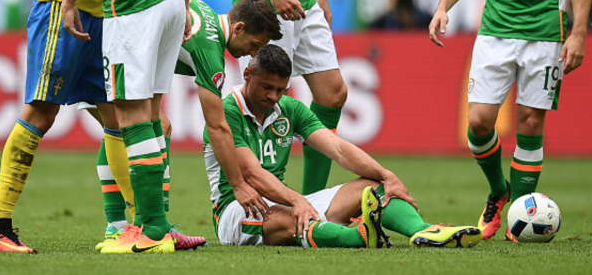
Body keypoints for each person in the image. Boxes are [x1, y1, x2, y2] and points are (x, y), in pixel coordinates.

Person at [205, 45, 483, 249]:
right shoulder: (226, 112)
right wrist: (297, 200)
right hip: (237, 209)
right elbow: (251, 175)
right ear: (247, 73)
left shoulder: (288, 108)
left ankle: (424, 232)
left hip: (286, 201)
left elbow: (337, 148)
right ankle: (356, 236)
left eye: (281, 89)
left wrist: (386, 175)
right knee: (283, 219)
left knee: (373, 187)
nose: (273, 96)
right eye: (266, 87)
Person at [428, 0, 592, 242]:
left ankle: (520, 211)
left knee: (530, 123)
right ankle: (498, 189)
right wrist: (443, 6)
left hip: (547, 31)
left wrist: (578, 32)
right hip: (494, 32)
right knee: (478, 122)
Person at [61, 0, 200, 254]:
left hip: (132, 5)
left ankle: (151, 230)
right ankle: (157, 224)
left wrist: (69, 2)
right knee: (151, 115)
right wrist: (182, 2)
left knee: (129, 116)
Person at [93, 0, 283, 249]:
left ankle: (118, 225)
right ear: (239, 28)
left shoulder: (204, 9)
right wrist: (238, 184)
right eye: (255, 44)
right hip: (111, 50)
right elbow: (216, 125)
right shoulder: (210, 51)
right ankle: (150, 225)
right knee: (151, 126)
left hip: (102, 37)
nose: (253, 54)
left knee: (121, 129)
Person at [0, 0, 118, 254]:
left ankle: (137, 227)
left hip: (100, 12)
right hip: (63, 6)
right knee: (41, 112)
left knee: (119, 118)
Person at [220, 0, 348, 196]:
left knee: (333, 94)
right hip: (265, 1)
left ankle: (313, 201)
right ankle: (270, 199)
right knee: (268, 99)